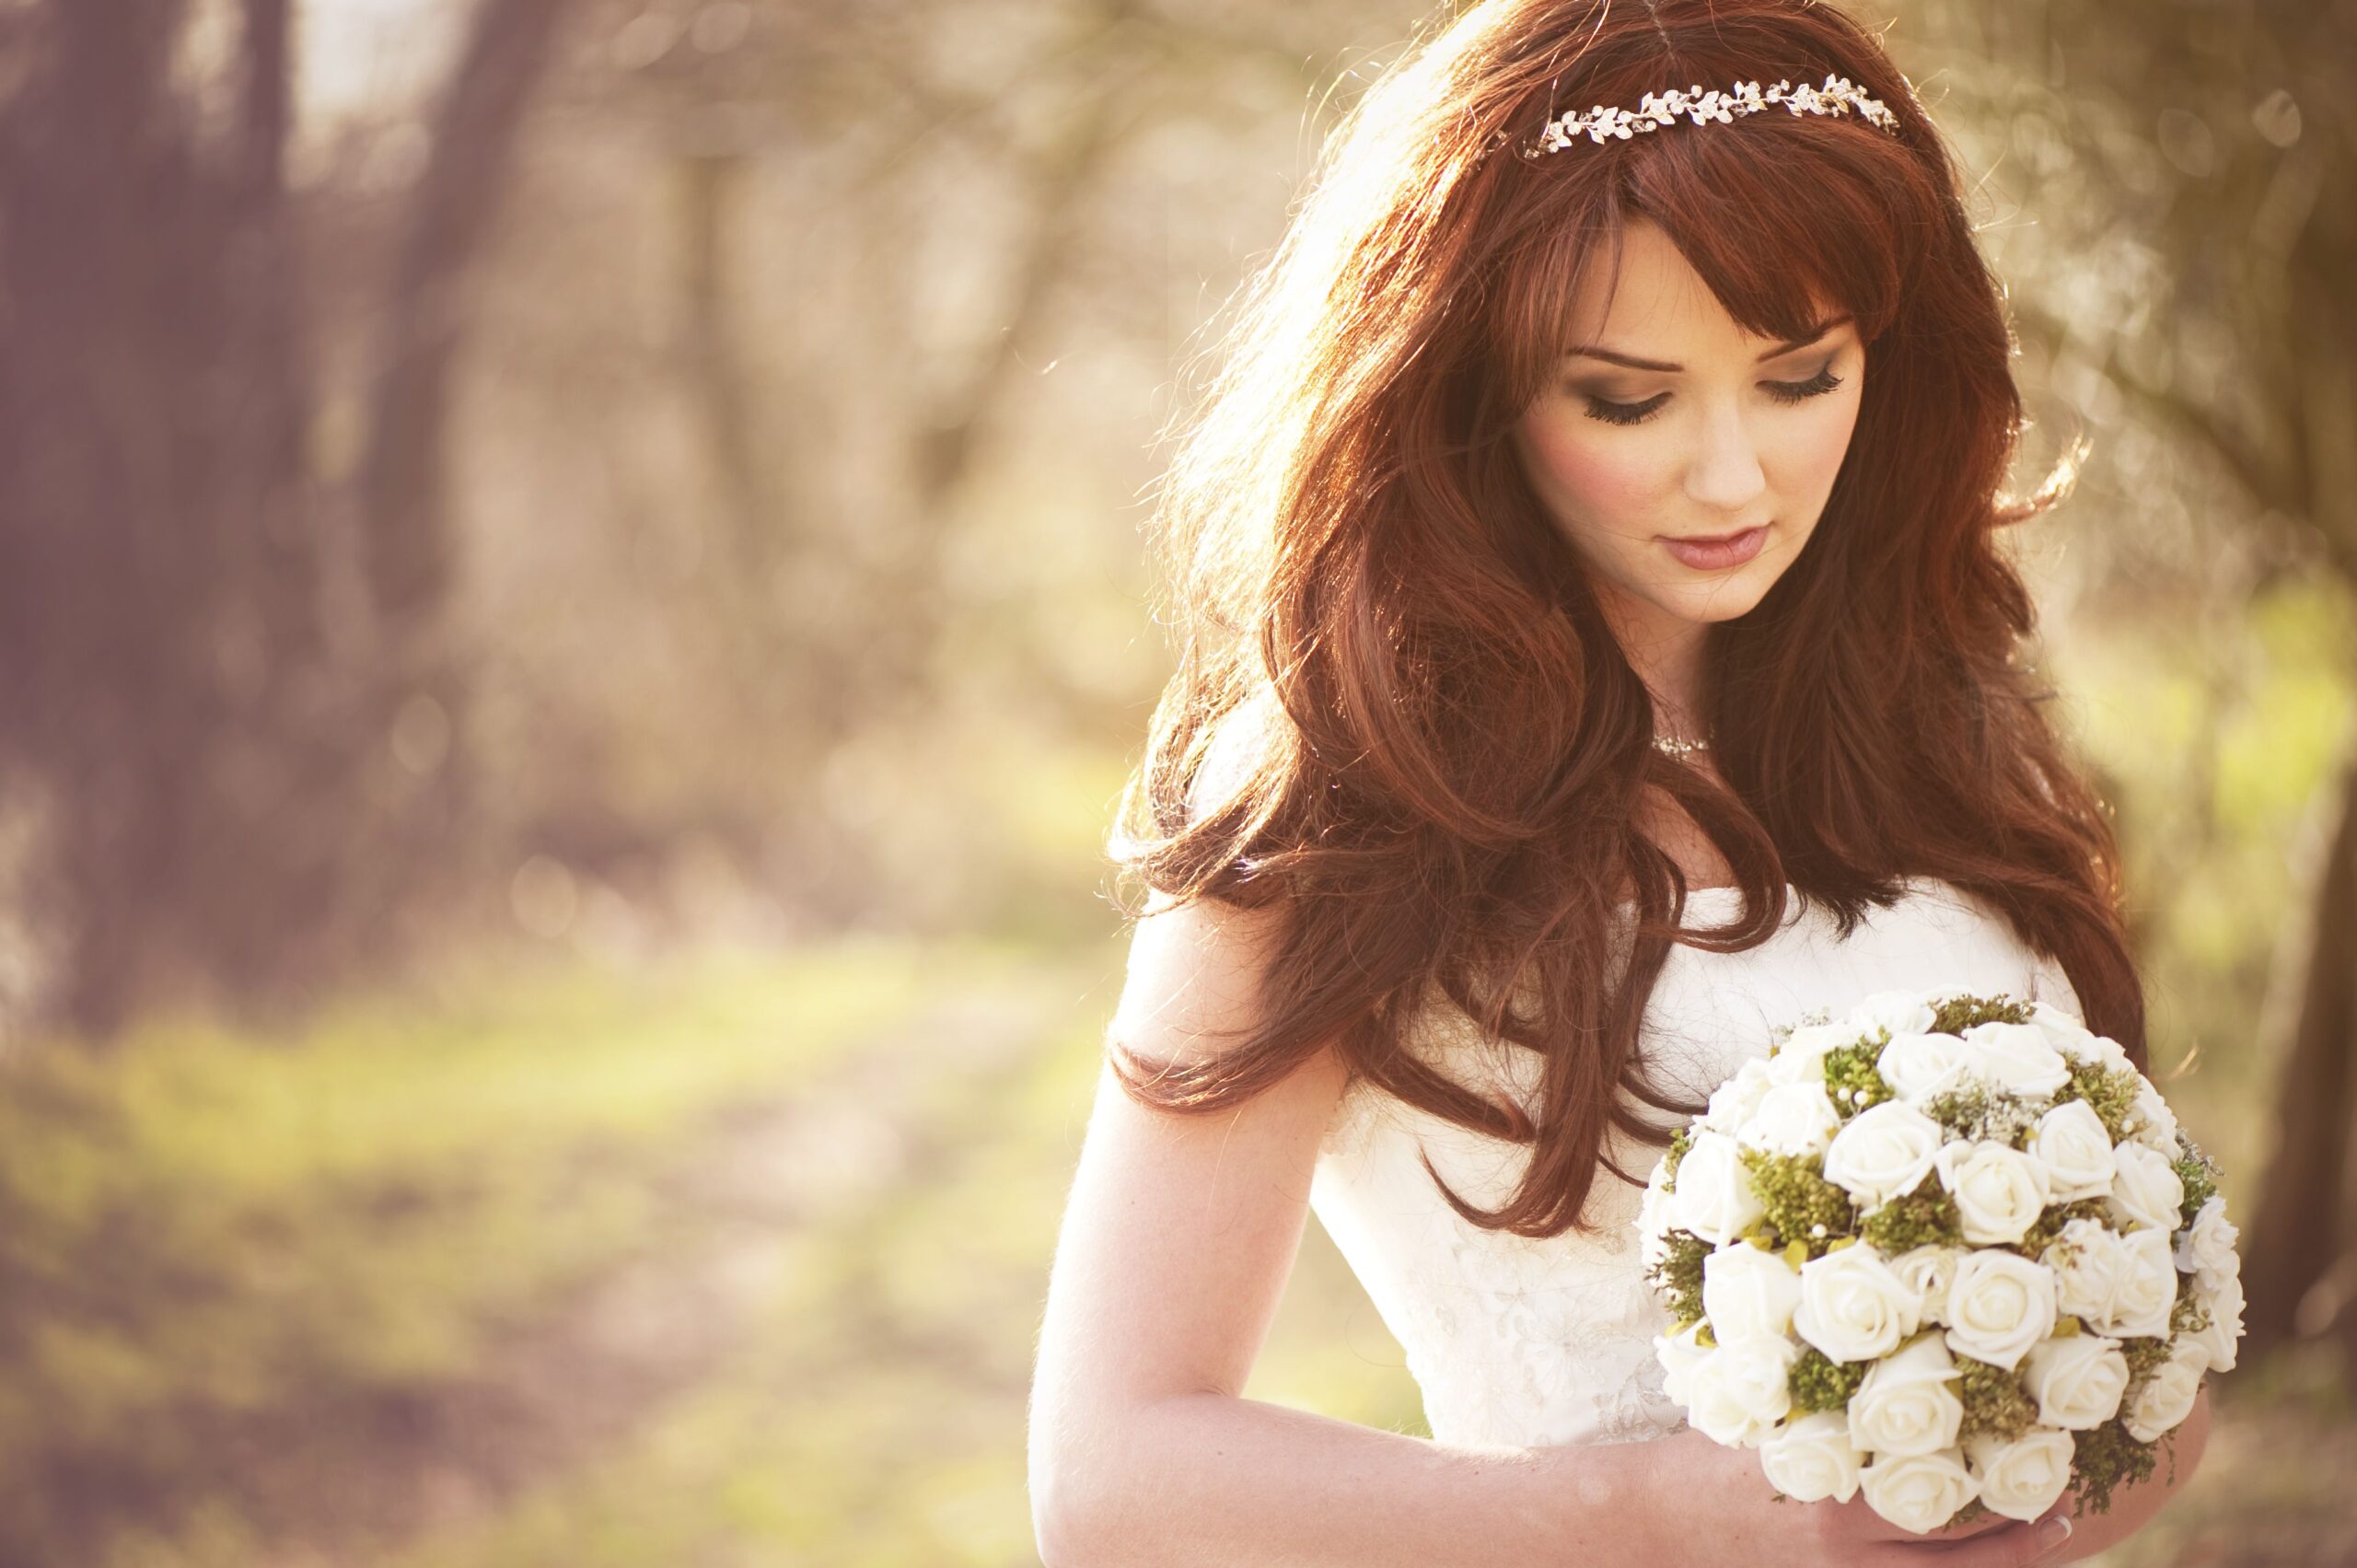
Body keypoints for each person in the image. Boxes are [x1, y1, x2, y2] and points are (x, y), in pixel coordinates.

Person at [1028, 1, 2210, 1562]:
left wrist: (2070, 1474)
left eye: (1801, 377)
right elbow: (1110, 1485)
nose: (1732, 477)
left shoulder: (1951, 727)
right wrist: (1655, 1523)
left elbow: (2171, 1381)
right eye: (1629, 400)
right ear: (1472, 386)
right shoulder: (1348, 810)